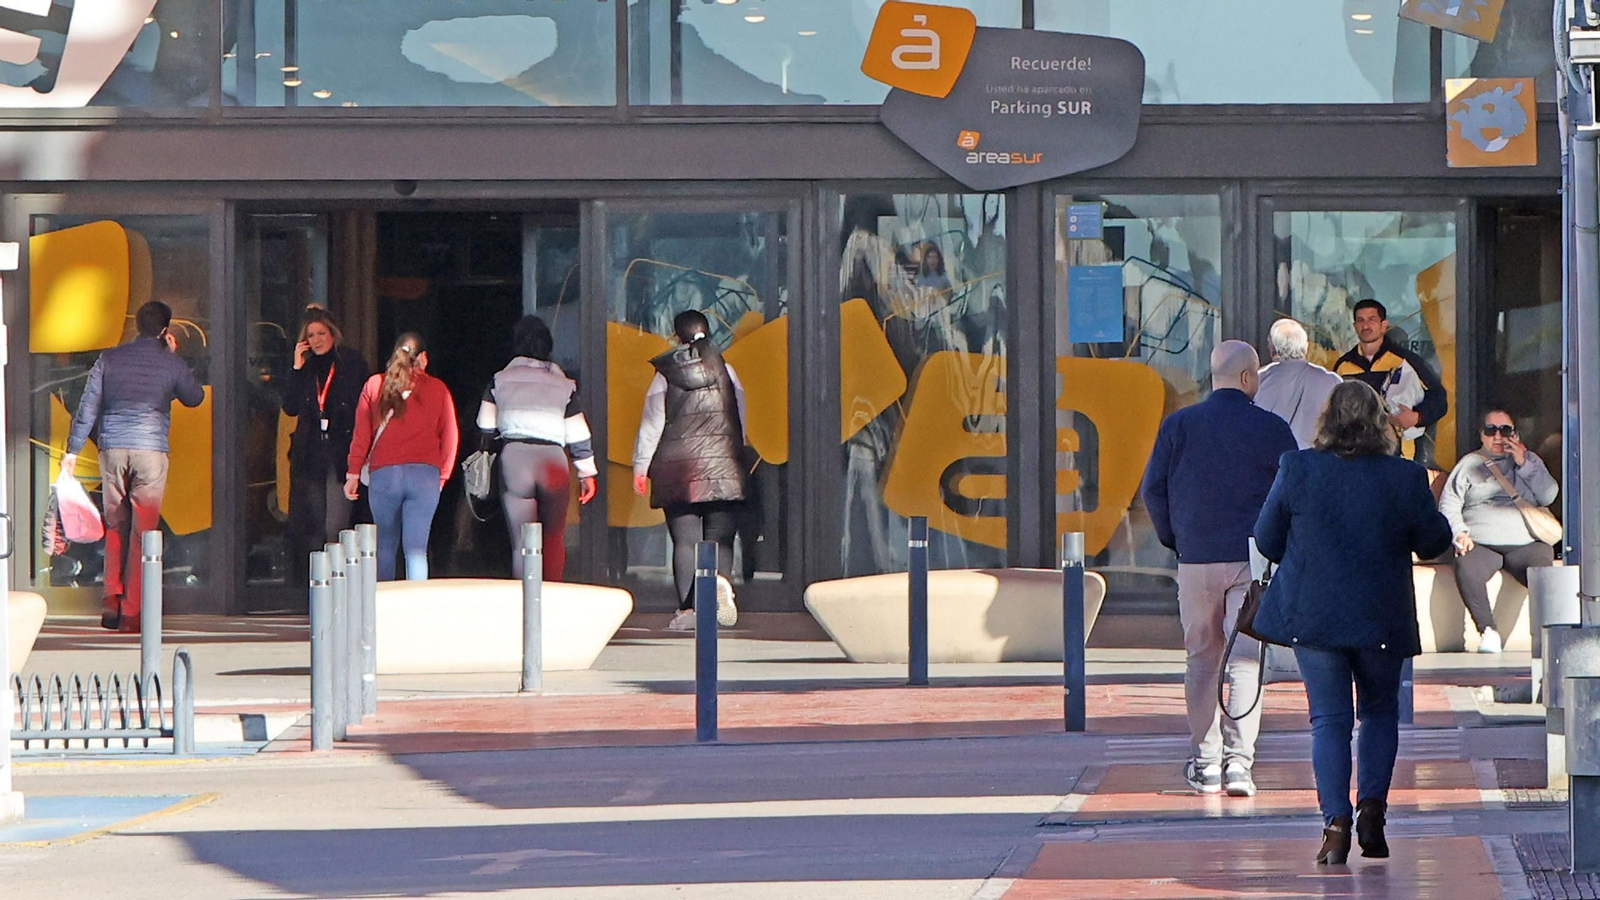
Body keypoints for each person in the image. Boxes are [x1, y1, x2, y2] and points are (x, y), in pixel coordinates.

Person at [1253, 381, 1453, 864]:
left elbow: (1266, 538)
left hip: (1315, 617)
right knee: (1380, 714)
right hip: (1381, 616)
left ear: (1328, 420)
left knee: (1328, 720)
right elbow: (1433, 543)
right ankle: (1373, 814)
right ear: (1381, 422)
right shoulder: (1404, 477)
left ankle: (1335, 824)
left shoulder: (1298, 467)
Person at [1139, 340, 1298, 798]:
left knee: (1202, 658)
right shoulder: (1272, 429)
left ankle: (1206, 761)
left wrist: (1176, 538)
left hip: (1197, 557)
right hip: (1253, 558)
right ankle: (1239, 767)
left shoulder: (1179, 425)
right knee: (1246, 661)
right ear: (1249, 378)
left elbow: (1153, 490)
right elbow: (1290, 493)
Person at [60, 301, 205, 632]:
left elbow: (88, 406)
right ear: (165, 330)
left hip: (113, 448)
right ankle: (131, 612)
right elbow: (194, 397)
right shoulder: (169, 362)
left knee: (115, 527)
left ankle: (111, 597)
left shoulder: (109, 359)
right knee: (143, 533)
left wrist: (73, 449)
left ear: (137, 326)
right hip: (151, 450)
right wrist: (174, 357)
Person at [633, 310, 747, 632]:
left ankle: (687, 612)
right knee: (719, 541)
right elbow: (740, 418)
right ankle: (717, 596)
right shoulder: (727, 370)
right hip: (724, 464)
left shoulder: (665, 374)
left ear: (676, 336)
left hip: (678, 469)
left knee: (685, 542)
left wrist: (641, 466)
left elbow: (652, 424)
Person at [476, 316, 598, 581]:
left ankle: (527, 601)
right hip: (552, 459)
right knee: (553, 537)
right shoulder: (564, 384)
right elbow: (578, 432)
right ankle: (552, 593)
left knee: (522, 540)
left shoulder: (500, 380)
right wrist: (586, 472)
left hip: (515, 457)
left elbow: (485, 426)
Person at [1438, 410, 1559, 654]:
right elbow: (1449, 503)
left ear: (1515, 433)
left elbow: (1548, 495)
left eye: (1505, 430)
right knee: (1467, 566)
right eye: (1490, 431)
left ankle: (1548, 637)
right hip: (1482, 542)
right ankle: (1487, 631)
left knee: (1543, 570)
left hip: (1525, 541)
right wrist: (1460, 533)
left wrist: (1524, 463)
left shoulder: (1529, 460)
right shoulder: (1470, 464)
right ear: (1481, 436)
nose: (1498, 436)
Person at [345, 333, 459, 581]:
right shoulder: (438, 389)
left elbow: (361, 434)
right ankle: (415, 611)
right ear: (424, 359)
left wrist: (354, 473)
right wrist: (442, 477)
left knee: (384, 547)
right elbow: (450, 437)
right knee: (416, 550)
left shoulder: (375, 385)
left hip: (384, 475)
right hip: (424, 475)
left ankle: (383, 607)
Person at [282, 306, 369, 585]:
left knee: (336, 524)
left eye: (321, 333)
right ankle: (314, 586)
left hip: (341, 450)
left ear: (333, 334)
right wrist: (296, 367)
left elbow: (363, 407)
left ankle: (338, 581)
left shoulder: (351, 362)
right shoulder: (305, 367)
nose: (317, 340)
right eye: (311, 335)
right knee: (312, 523)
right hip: (310, 453)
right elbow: (291, 407)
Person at [1333, 300, 1448, 461]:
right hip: (1355, 454)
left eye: (1372, 319)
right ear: (1354, 326)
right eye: (1360, 320)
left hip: (1401, 455)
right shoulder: (1343, 366)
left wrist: (1417, 417)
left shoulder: (1406, 361)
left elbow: (1439, 397)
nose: (1366, 326)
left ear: (1383, 325)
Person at [1256, 318, 1342, 449]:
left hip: (1273, 462)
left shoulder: (1258, 379)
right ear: (1306, 347)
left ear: (1272, 348)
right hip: (1318, 461)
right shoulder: (1332, 381)